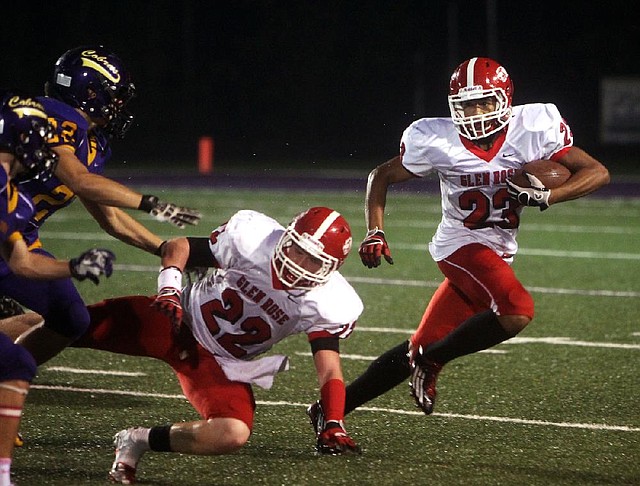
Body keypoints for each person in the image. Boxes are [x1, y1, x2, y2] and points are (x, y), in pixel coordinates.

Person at [307, 56, 610, 430]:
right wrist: (375, 230)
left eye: (485, 101)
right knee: (517, 309)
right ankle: (435, 362)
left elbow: (597, 172)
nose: (477, 111)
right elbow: (381, 175)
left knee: (417, 348)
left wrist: (549, 197)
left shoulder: (532, 127)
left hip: (497, 249)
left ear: (505, 100)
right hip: (460, 245)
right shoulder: (438, 138)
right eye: (467, 104)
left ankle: (330, 411)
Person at [46, 206, 363, 483]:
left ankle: (136, 440)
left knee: (232, 433)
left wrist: (334, 421)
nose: (297, 263)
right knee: (66, 326)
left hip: (218, 363)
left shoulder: (329, 303)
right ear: (287, 237)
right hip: (175, 320)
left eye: (312, 260)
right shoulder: (254, 239)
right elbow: (179, 245)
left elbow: (329, 367)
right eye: (296, 249)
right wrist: (169, 288)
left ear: (330, 269)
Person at [0, 46, 202, 366]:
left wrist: (164, 249)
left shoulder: (92, 143)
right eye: (115, 96)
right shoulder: (53, 114)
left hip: (16, 240)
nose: (119, 105)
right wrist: (150, 204)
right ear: (90, 91)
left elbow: (109, 216)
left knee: (70, 318)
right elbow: (80, 181)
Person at [0, 93, 114, 486]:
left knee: (18, 361)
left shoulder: (14, 198)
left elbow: (23, 262)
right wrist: (151, 204)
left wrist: (75, 266)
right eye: (35, 138)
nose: (46, 152)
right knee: (15, 364)